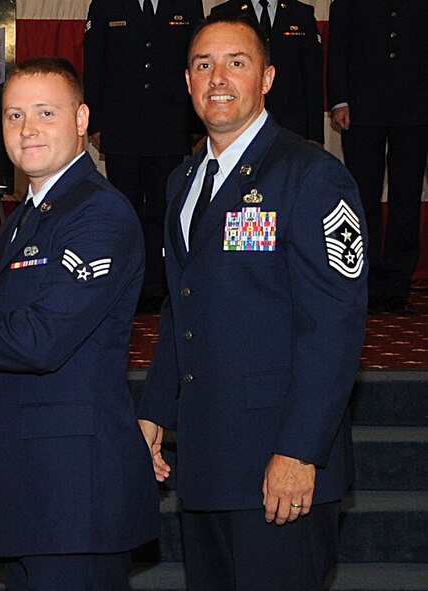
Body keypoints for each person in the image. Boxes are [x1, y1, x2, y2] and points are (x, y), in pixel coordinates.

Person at [0, 57, 158, 590]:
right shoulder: (21, 221)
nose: (28, 129)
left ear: (82, 119)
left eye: (45, 112)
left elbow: (40, 341)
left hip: (76, 499)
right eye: (14, 116)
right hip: (28, 494)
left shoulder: (99, 214)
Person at [137, 13, 367, 590]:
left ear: (266, 78)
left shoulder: (312, 175)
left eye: (235, 63)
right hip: (207, 463)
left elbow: (333, 328)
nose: (218, 78)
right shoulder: (183, 181)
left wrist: (299, 451)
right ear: (187, 81)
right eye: (202, 65)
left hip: (280, 469)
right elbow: (179, 307)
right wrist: (154, 411)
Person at [84, 0, 204, 312]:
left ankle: (159, 286)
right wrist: (96, 123)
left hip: (170, 126)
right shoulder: (105, 5)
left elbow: (196, 63)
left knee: (164, 211)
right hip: (121, 127)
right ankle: (126, 285)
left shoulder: (186, 5)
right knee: (124, 211)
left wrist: (195, 123)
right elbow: (94, 64)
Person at [327, 0, 428, 314]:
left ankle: (397, 286)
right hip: (361, 109)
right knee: (361, 199)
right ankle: (364, 282)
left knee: (406, 199)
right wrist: (339, 100)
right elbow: (338, 47)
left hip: (416, 107)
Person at [210, 0, 324, 144]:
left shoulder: (301, 14)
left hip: (291, 124)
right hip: (239, 123)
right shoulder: (224, 13)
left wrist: (315, 134)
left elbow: (313, 77)